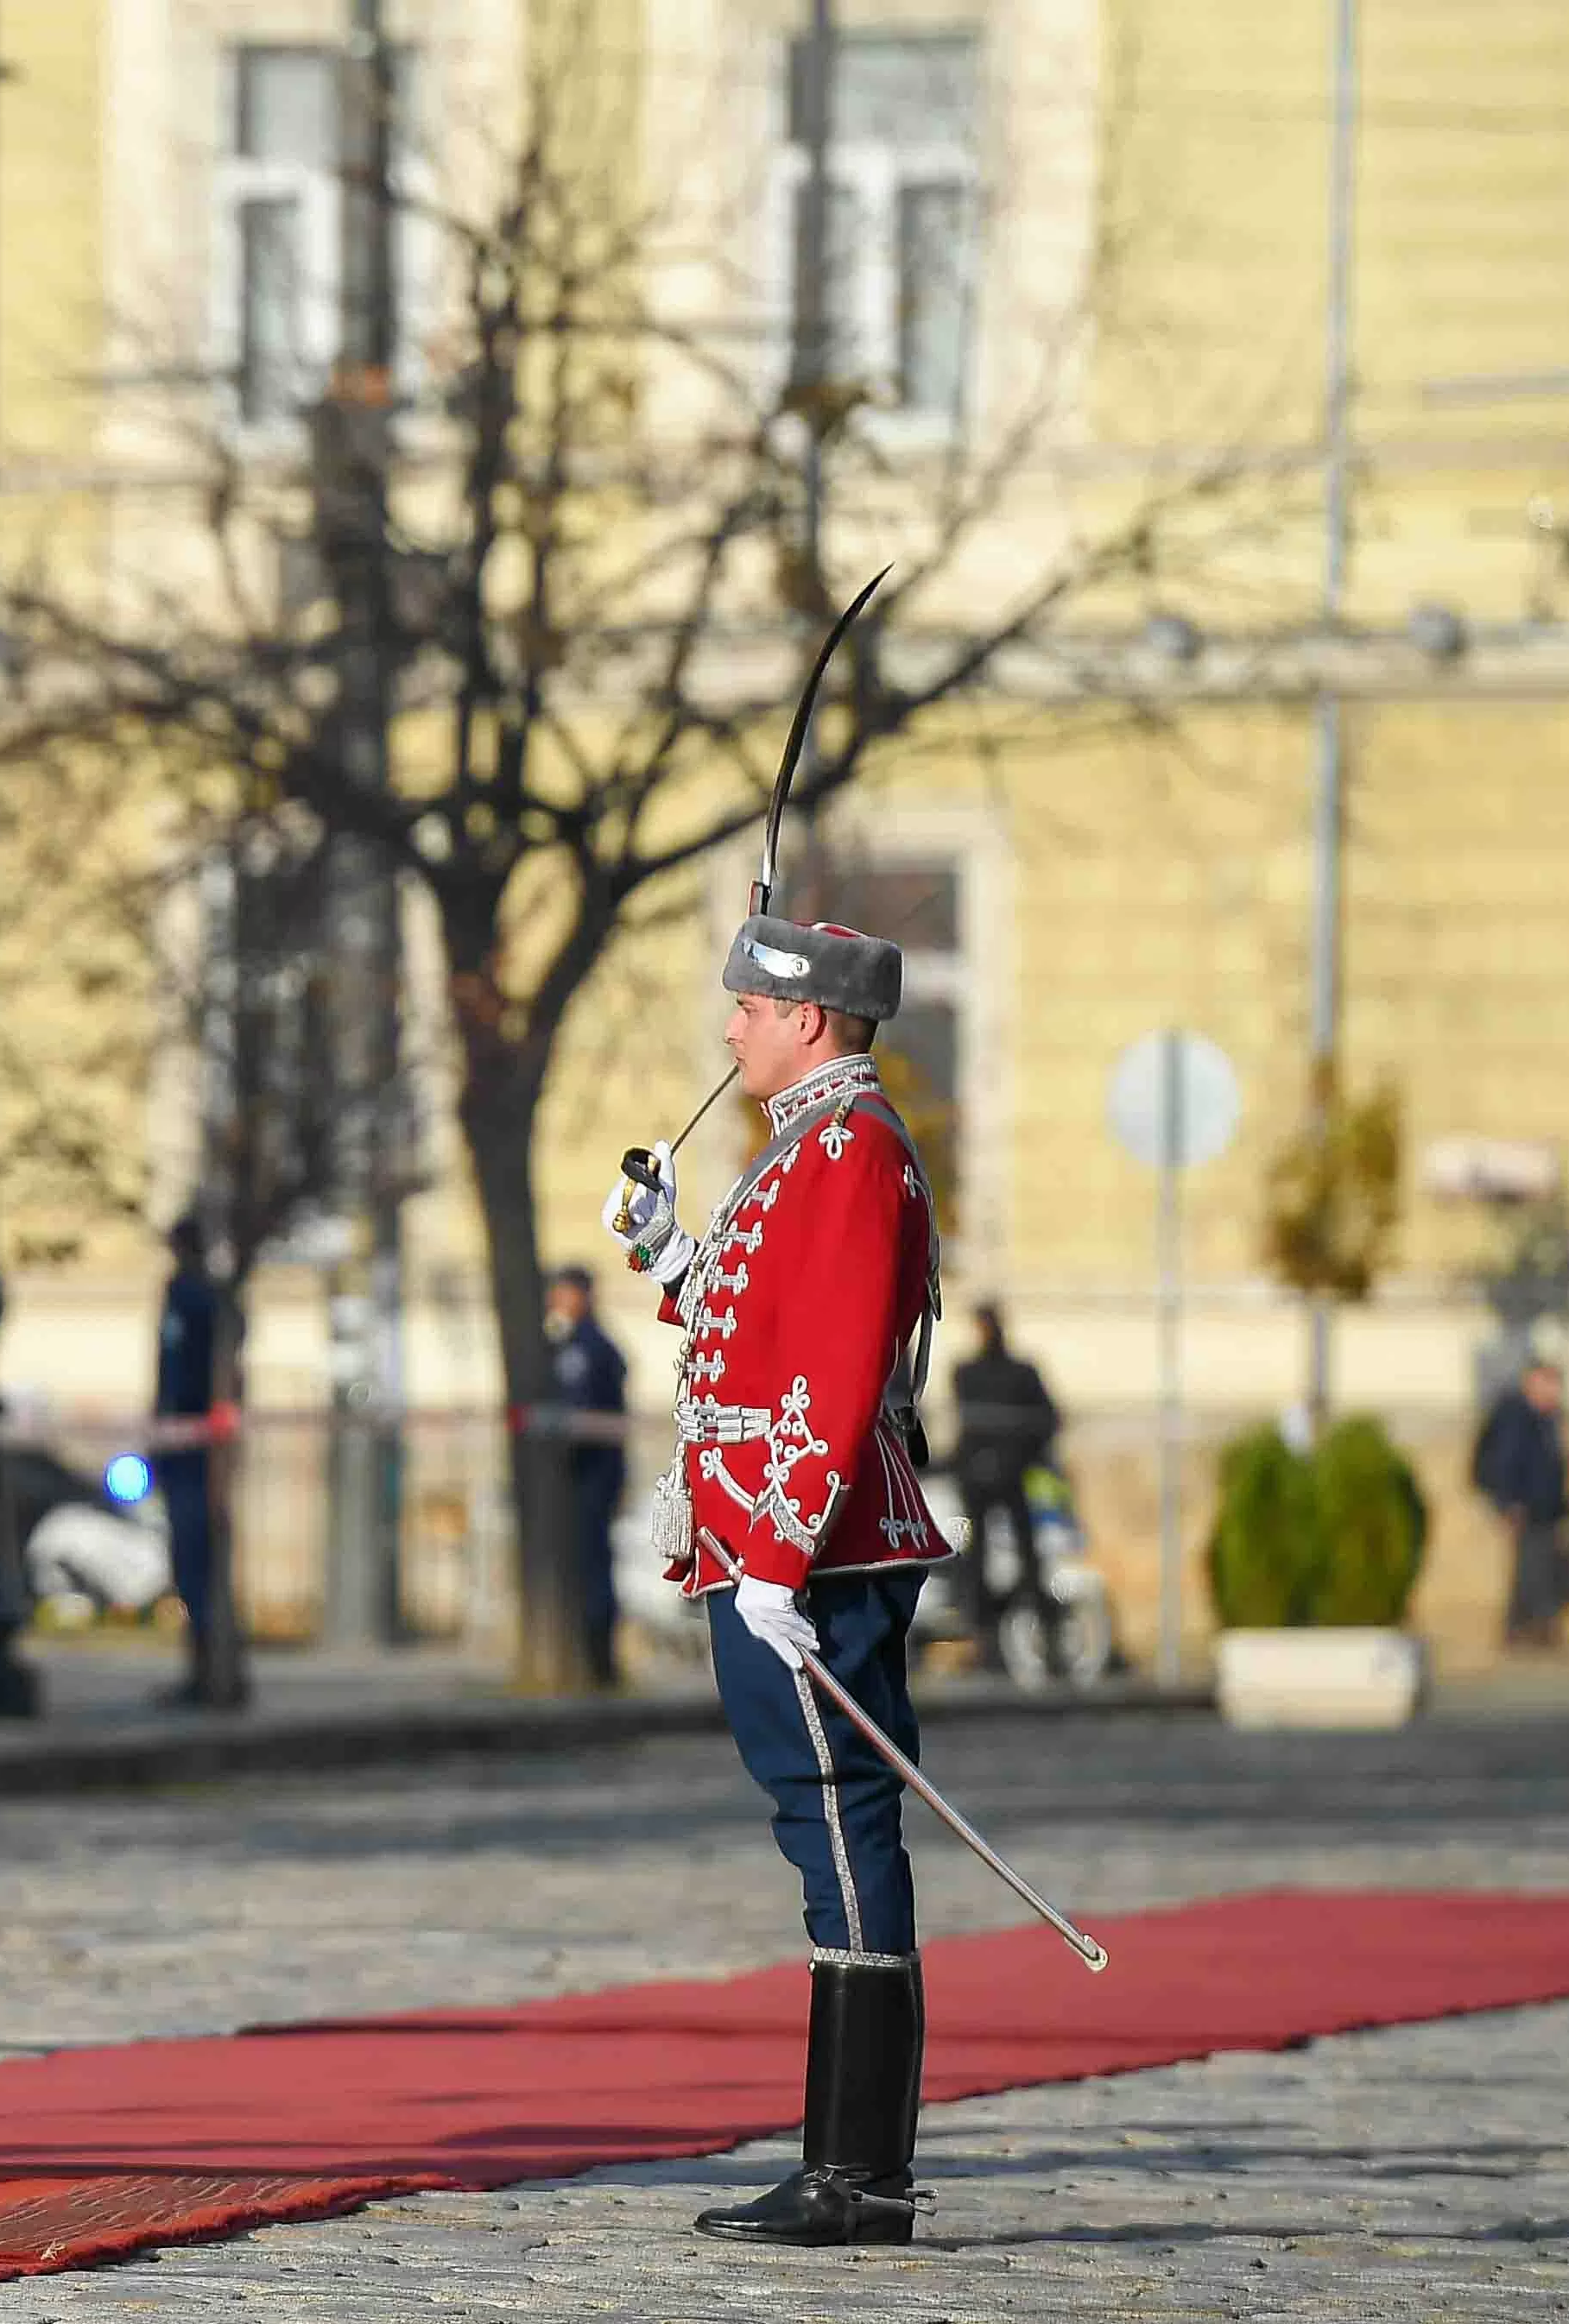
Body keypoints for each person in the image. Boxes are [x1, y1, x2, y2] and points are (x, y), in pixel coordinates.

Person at [607, 913, 952, 2250]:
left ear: (808, 1019)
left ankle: (855, 2176)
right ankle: (843, 2168)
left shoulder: (850, 1150)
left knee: (836, 1816)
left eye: (748, 1005)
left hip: (809, 1545)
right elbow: (755, 1327)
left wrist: (775, 1554)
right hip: (769, 1537)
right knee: (816, 1823)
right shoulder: (802, 1147)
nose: (731, 1025)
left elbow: (835, 1359)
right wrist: (665, 1253)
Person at [150, 1215, 229, 1704]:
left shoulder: (193, 1299)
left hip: (195, 1450)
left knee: (195, 1561)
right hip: (186, 1447)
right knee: (190, 1561)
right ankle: (204, 1669)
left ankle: (208, 1672)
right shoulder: (197, 1297)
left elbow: (179, 1380)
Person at [948, 1304, 1061, 1637]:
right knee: (975, 1549)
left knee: (1027, 1551)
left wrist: (1018, 1455)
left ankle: (1038, 1612)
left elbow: (1045, 1420)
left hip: (1010, 1474)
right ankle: (977, 1616)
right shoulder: (967, 1372)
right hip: (980, 1476)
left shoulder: (1020, 1373)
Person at [544, 1265, 629, 1689]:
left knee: (594, 1566)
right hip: (585, 1474)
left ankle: (601, 1664)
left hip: (592, 1474)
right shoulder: (572, 1345)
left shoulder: (589, 1349)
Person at [1476, 1361, 1569, 1651]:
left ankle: (1534, 1628)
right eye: (1549, 1384)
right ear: (1532, 1384)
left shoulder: (1547, 1418)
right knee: (1530, 1569)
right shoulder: (1517, 1416)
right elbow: (1507, 1462)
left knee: (1541, 1568)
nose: (1554, 1392)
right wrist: (1509, 1502)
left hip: (1546, 1508)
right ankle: (1527, 1629)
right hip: (1526, 1507)